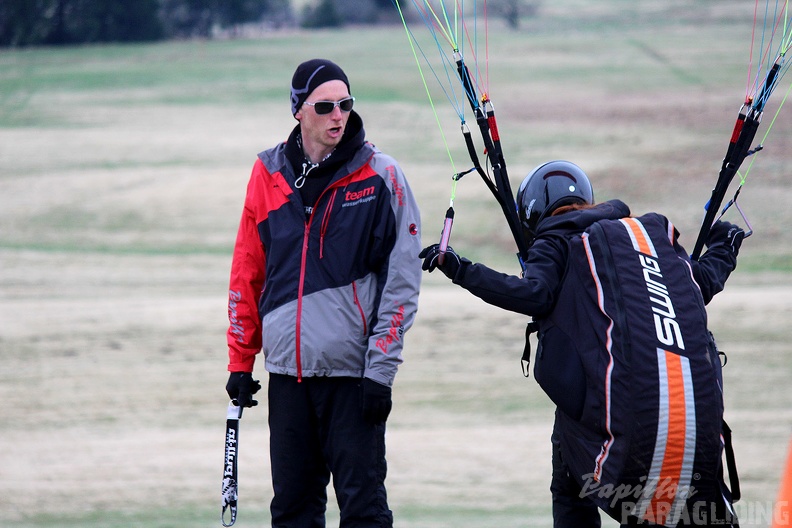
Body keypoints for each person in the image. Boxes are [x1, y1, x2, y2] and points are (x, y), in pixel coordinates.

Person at [419, 160, 745, 528]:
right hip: (699, 434)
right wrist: (724, 246)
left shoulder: (556, 239)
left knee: (569, 448)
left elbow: (534, 295)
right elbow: (698, 283)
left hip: (628, 446)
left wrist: (460, 269)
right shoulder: (643, 236)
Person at [224, 58, 422, 527]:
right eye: (327, 106)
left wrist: (380, 370)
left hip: (353, 379)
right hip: (286, 379)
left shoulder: (382, 176)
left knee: (364, 512)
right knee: (292, 512)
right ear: (299, 111)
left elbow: (402, 280)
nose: (340, 116)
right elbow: (247, 272)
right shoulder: (266, 173)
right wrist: (239, 362)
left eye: (346, 105)